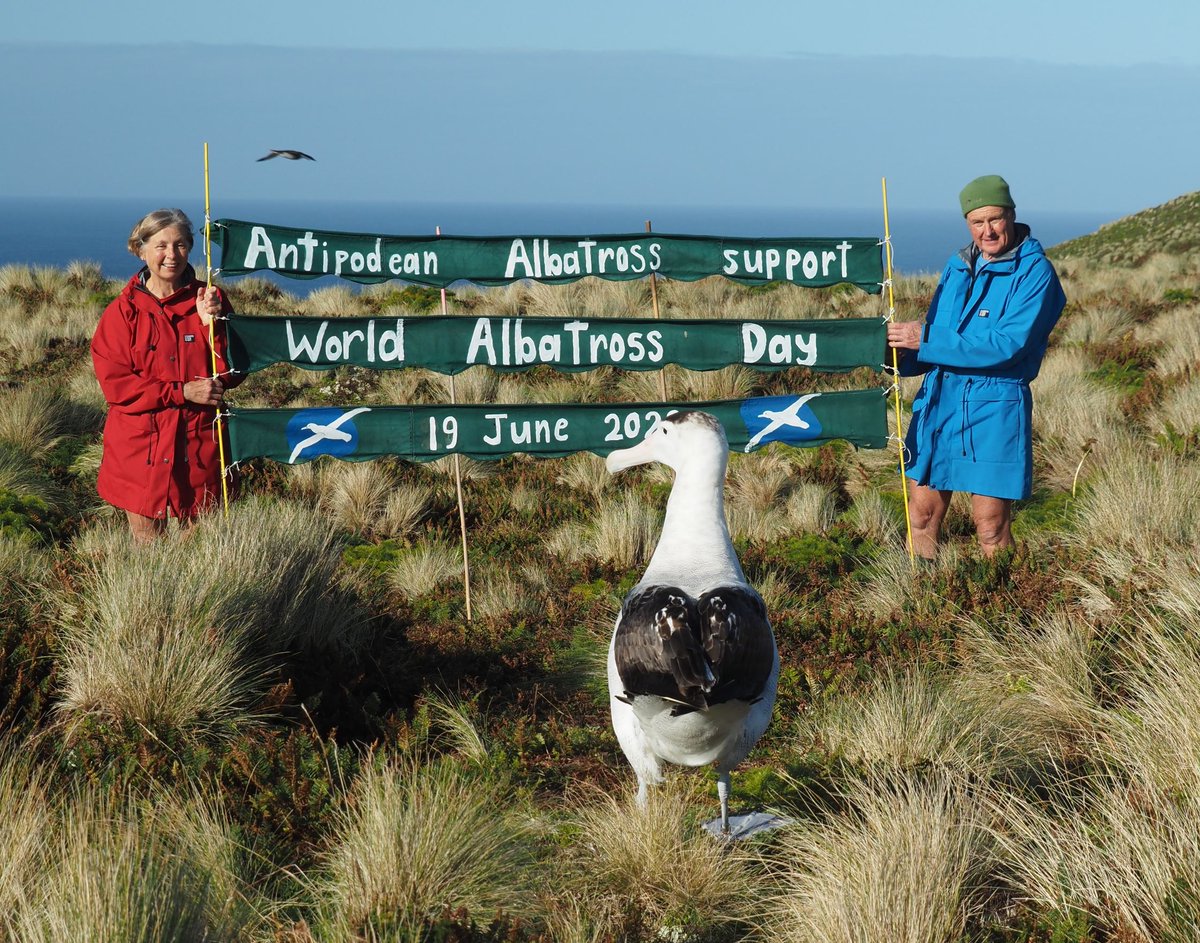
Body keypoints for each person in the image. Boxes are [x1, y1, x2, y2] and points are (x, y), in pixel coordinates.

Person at [886, 175, 1066, 559]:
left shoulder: (1036, 274)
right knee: (920, 516)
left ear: (1012, 215)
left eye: (995, 219)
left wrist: (928, 339)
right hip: (938, 404)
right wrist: (899, 356)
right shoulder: (958, 267)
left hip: (994, 408)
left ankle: (1002, 607)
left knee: (990, 526)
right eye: (977, 222)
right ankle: (919, 604)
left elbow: (1007, 345)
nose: (987, 231)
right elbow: (937, 339)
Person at [91, 208, 241, 540]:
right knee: (150, 556)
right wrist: (182, 391)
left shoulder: (211, 300)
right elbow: (118, 388)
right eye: (160, 245)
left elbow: (232, 371)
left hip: (199, 448)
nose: (171, 255)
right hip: (138, 454)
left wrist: (210, 327)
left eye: (180, 245)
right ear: (140, 249)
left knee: (200, 555)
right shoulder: (122, 312)